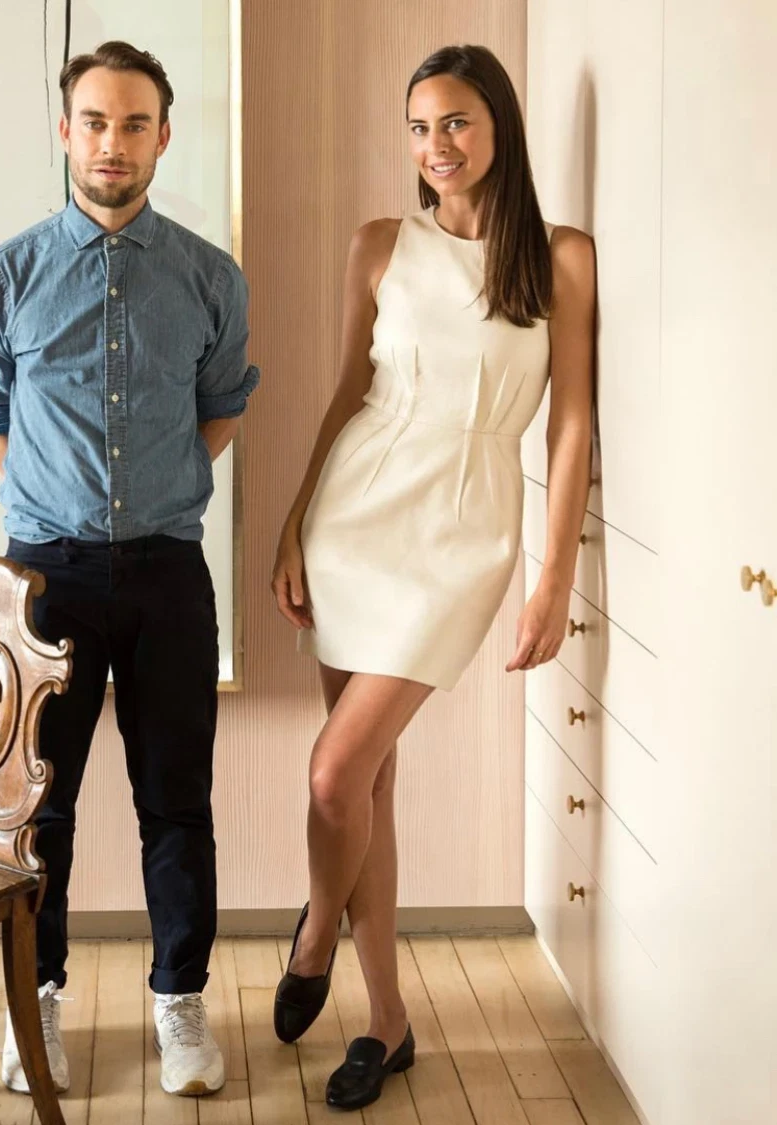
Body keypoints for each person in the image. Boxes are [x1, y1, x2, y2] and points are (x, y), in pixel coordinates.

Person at [269, 44, 595, 1111]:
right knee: (363, 784)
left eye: (454, 122)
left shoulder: (561, 259)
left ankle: (314, 929)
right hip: (357, 515)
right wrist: (292, 523)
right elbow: (343, 398)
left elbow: (572, 426)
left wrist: (550, 582)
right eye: (418, 127)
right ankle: (388, 1022)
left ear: (498, 125)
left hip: (465, 530)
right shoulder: (379, 245)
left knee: (333, 774)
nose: (435, 147)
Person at [0, 40, 259, 1099]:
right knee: (40, 808)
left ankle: (180, 1005)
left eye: (134, 124)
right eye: (95, 121)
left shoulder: (211, 278)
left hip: (170, 573)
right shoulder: (5, 276)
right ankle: (35, 1000)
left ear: (163, 136)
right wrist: (67, 508)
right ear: (66, 130)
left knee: (177, 804)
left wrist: (148, 500)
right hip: (44, 580)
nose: (113, 143)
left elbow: (221, 408)